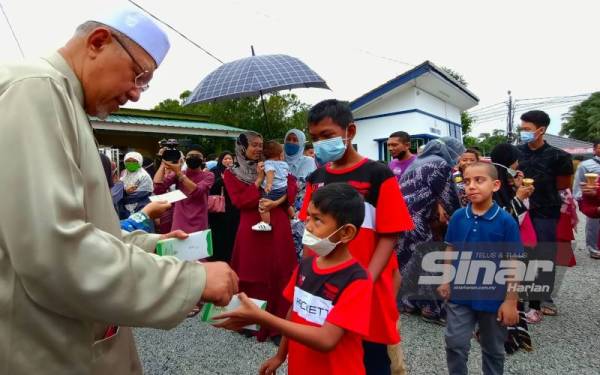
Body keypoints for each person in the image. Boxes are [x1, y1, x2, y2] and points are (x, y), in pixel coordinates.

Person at [0, 8, 240, 374]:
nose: (135, 94)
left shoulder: (63, 99)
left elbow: (84, 229)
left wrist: (155, 249)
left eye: (144, 84)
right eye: (138, 75)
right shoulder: (35, 88)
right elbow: (53, 251)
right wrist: (191, 280)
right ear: (98, 42)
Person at [300, 99, 414, 375]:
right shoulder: (316, 178)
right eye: (315, 138)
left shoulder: (377, 174)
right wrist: (305, 276)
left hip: (367, 287)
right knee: (334, 355)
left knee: (373, 358)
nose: (320, 144)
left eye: (327, 135)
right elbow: (309, 233)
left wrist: (365, 281)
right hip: (326, 285)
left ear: (350, 131)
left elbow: (389, 235)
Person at [215, 183, 373, 375]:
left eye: (318, 220)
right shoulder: (306, 265)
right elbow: (293, 311)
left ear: (346, 232)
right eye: (308, 217)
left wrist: (263, 317)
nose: (308, 226)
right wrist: (280, 356)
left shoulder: (357, 280)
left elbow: (326, 340)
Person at [438, 162, 522, 375]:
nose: (471, 186)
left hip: (493, 297)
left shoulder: (505, 221)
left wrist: (511, 300)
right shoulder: (458, 217)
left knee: (493, 349)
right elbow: (450, 248)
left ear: (495, 185)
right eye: (466, 182)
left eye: (479, 180)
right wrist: (445, 279)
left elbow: (514, 261)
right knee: (455, 344)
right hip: (459, 294)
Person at [223, 131, 297, 342]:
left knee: (281, 270)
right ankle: (250, 320)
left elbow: (291, 186)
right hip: (251, 228)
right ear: (242, 147)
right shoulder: (232, 173)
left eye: (260, 144)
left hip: (278, 223)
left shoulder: (274, 164)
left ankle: (279, 323)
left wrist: (276, 201)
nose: (258, 149)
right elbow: (240, 202)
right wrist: (259, 180)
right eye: (253, 145)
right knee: (251, 272)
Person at [396, 137, 464, 324]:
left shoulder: (417, 162)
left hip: (402, 220)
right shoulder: (439, 164)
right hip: (421, 221)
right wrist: (463, 219)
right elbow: (450, 198)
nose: (457, 159)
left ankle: (407, 303)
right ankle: (431, 309)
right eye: (457, 155)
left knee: (409, 263)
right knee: (430, 262)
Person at [517, 110, 573, 317]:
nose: (523, 132)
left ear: (541, 130)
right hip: (519, 209)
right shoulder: (516, 153)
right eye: (521, 128)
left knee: (544, 253)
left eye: (527, 129)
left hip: (546, 210)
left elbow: (563, 185)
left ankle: (544, 296)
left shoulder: (560, 156)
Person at [154, 144, 215, 233]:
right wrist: (163, 164)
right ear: (185, 158)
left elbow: (197, 191)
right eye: (190, 156)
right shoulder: (179, 173)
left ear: (204, 160)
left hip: (199, 221)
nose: (193, 158)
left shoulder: (209, 175)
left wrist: (179, 173)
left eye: (197, 156)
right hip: (179, 221)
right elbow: (158, 188)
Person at [284, 129, 317, 259]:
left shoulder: (309, 162)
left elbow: (314, 188)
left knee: (301, 251)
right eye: (289, 139)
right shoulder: (278, 161)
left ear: (302, 143)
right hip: (280, 210)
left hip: (303, 213)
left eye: (295, 140)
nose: (291, 143)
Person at [252, 141, 293, 231]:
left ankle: (266, 224)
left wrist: (269, 184)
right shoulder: (284, 164)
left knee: (263, 205)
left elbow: (271, 173)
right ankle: (294, 217)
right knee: (287, 204)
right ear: (280, 154)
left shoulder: (268, 163)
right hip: (284, 188)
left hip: (273, 190)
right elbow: (287, 174)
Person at [208, 151, 240, 263]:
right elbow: (211, 189)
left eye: (230, 159)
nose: (228, 161)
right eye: (225, 159)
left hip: (233, 210)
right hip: (218, 212)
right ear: (221, 160)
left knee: (231, 235)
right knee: (218, 236)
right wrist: (222, 180)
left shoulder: (238, 173)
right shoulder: (214, 172)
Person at [573, 140, 600, 258]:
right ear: (594, 150)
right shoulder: (585, 165)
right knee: (593, 225)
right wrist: (580, 199)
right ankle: (593, 248)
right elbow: (578, 182)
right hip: (592, 199)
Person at [119, 151, 154, 218]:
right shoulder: (124, 175)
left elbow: (141, 194)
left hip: (140, 209)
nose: (131, 163)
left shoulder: (144, 176)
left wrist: (121, 198)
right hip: (124, 211)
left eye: (134, 161)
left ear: (139, 162)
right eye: (128, 161)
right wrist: (125, 192)